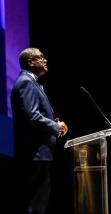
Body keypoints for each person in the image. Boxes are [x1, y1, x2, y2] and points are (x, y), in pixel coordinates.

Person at [11, 48, 68, 214]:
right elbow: (33, 117)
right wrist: (55, 126)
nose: (45, 60)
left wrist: (52, 124)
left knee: (38, 204)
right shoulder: (26, 82)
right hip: (34, 154)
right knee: (35, 205)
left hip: (39, 153)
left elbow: (32, 116)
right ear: (30, 62)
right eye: (41, 57)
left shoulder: (31, 82)